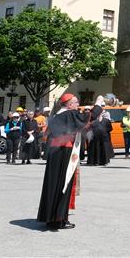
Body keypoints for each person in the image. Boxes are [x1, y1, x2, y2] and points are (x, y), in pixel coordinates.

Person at [37, 93, 90, 230]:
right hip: (64, 152)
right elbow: (87, 118)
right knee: (64, 184)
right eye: (76, 102)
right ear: (69, 104)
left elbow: (47, 134)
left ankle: (50, 218)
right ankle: (60, 219)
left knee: (53, 184)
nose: (78, 105)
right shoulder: (69, 114)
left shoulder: (56, 116)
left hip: (54, 153)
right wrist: (97, 104)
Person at [87, 102, 113, 166]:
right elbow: (89, 130)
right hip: (95, 139)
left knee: (104, 150)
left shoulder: (106, 121)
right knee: (96, 150)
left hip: (104, 139)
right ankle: (95, 161)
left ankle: (104, 162)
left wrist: (104, 132)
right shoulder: (93, 122)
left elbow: (110, 129)